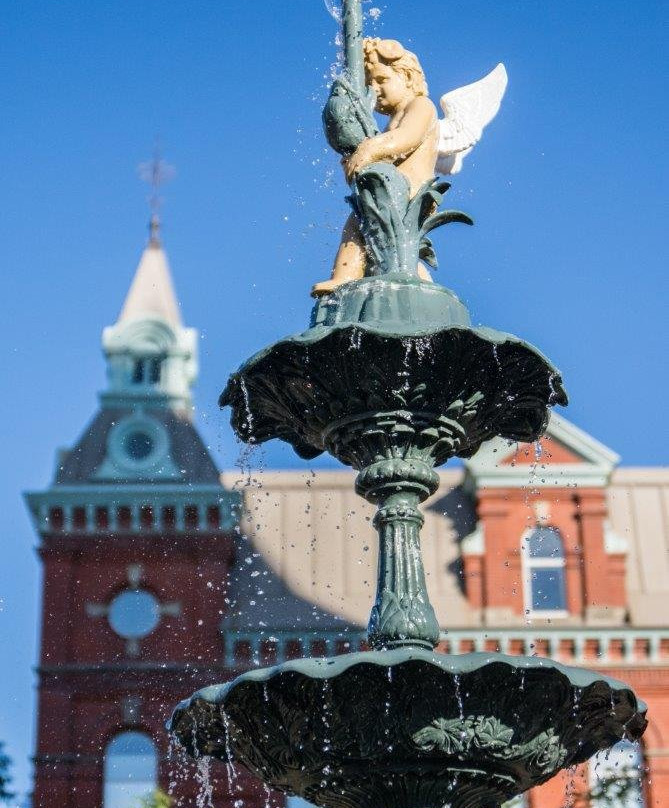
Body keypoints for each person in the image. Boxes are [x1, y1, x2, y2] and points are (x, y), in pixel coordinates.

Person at [312, 38, 438, 297]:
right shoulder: (392, 120)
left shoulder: (421, 106)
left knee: (371, 226)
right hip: (390, 190)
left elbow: (407, 138)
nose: (375, 89)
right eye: (371, 84)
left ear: (407, 77)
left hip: (410, 192)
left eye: (382, 80)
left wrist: (369, 149)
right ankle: (351, 276)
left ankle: (346, 276)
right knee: (370, 232)